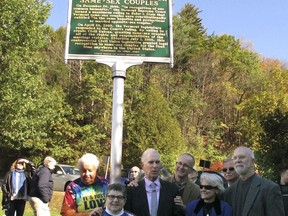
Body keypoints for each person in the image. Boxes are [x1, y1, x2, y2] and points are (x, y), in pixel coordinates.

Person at [224, 146, 285, 216]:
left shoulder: (270, 188)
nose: (238, 160)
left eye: (242, 157)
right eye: (235, 158)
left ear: (252, 162)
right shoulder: (229, 191)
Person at [124, 148, 183, 216]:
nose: (155, 166)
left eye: (157, 162)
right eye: (151, 162)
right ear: (142, 166)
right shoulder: (132, 190)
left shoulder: (172, 189)